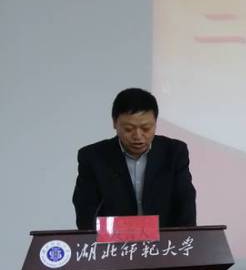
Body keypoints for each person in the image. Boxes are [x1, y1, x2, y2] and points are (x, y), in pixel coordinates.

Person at [72, 88, 197, 230]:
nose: (138, 136)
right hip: (112, 240)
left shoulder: (174, 152)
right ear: (114, 123)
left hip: (164, 239)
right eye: (129, 129)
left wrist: (185, 237)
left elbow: (185, 201)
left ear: (155, 122)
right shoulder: (93, 157)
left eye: (146, 128)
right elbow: (85, 209)